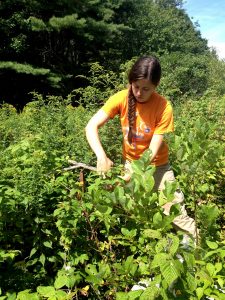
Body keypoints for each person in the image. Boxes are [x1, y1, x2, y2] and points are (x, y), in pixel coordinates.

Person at [85, 56, 197, 240]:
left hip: (158, 167)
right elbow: (91, 126)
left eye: (146, 89)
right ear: (130, 82)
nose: (139, 93)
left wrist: (133, 175)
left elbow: (152, 151)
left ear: (156, 86)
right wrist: (101, 156)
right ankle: (153, 251)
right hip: (130, 164)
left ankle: (192, 255)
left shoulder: (163, 107)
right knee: (137, 214)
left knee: (176, 215)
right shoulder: (121, 98)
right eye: (136, 86)